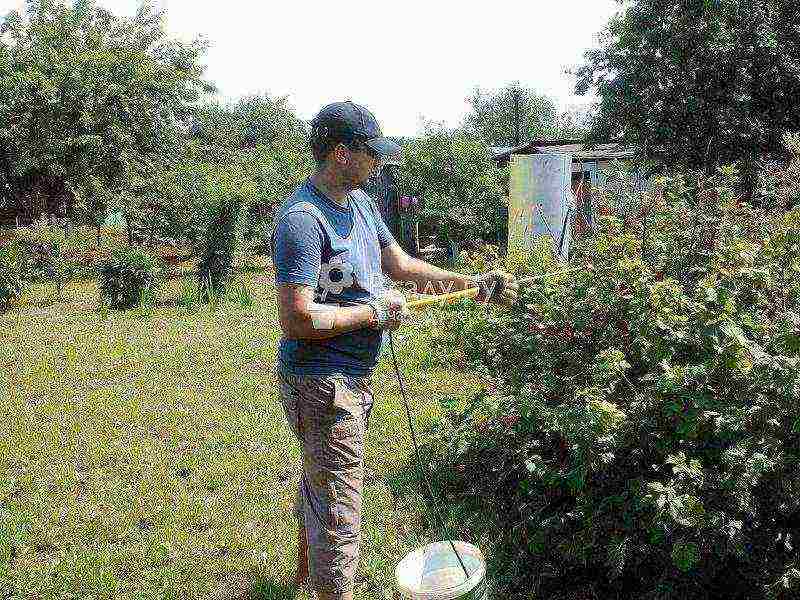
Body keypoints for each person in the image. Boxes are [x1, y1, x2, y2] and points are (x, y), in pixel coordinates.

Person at [271, 100, 519, 600]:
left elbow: (400, 265)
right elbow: (297, 321)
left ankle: (302, 578)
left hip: (352, 375)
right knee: (339, 506)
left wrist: (470, 281)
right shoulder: (302, 220)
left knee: (320, 483)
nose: (379, 161)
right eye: (370, 152)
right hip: (321, 381)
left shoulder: (361, 204)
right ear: (340, 153)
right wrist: (373, 314)